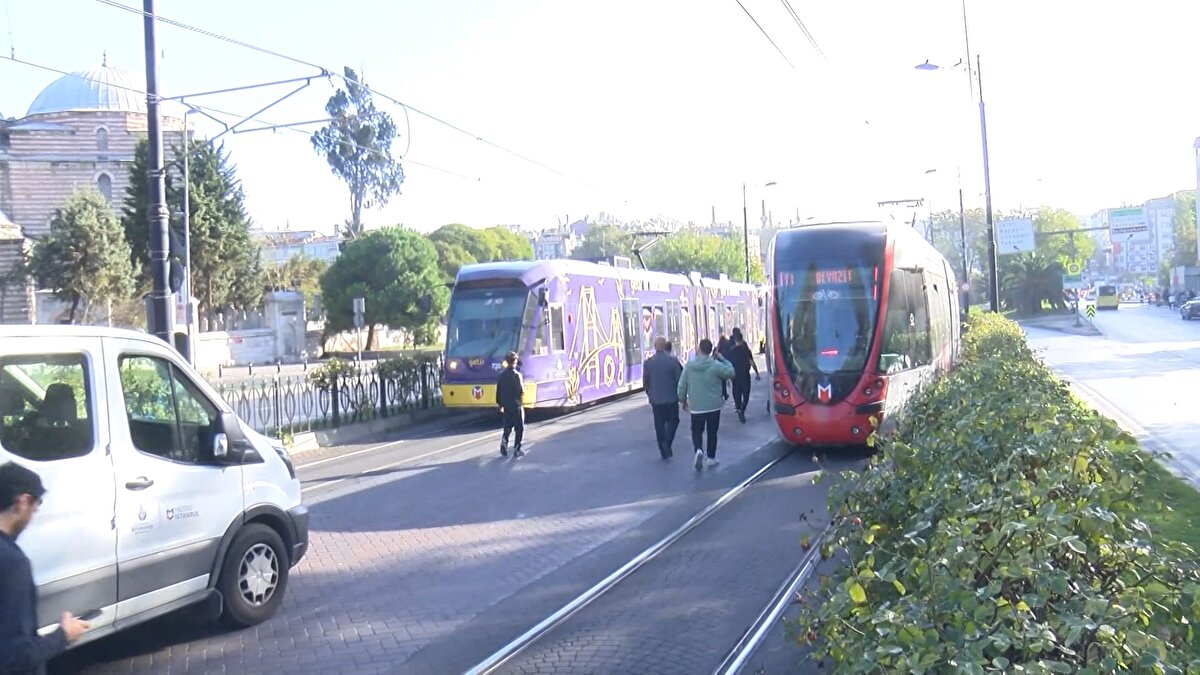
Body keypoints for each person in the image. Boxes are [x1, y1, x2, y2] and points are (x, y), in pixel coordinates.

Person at [0, 462, 89, 674]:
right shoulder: (12, 562)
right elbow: (15, 657)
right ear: (22, 501)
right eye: (36, 504)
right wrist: (63, 636)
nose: (35, 511)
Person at [677, 338, 735, 470]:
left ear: (699, 349)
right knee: (712, 432)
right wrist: (723, 359)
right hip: (714, 406)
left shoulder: (689, 366)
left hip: (696, 407)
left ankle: (698, 449)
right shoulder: (715, 365)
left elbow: (681, 386)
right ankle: (711, 457)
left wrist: (683, 400)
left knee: (696, 431)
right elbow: (731, 372)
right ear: (711, 351)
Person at [643, 337, 683, 460]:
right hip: (671, 398)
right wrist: (682, 396)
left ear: (655, 347)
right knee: (674, 421)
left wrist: (650, 394)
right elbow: (679, 380)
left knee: (659, 425)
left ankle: (663, 450)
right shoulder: (673, 361)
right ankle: (668, 441)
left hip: (656, 400)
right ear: (665, 346)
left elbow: (646, 381)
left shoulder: (648, 363)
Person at [727, 328, 761, 423]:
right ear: (741, 339)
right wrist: (757, 373)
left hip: (735, 376)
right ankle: (742, 409)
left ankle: (738, 409)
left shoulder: (731, 351)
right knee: (746, 395)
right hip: (745, 375)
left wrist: (727, 378)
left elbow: (728, 364)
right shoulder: (745, 348)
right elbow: (751, 362)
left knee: (736, 393)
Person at [496, 352, 526, 458]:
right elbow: (521, 391)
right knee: (519, 428)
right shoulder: (517, 376)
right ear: (515, 361)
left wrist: (500, 405)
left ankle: (504, 442)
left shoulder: (501, 376)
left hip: (506, 406)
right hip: (516, 405)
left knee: (507, 427)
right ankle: (517, 448)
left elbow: (498, 392)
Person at [716, 333, 732, 402]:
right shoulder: (728, 345)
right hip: (726, 363)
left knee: (722, 381)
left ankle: (723, 394)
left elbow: (715, 354)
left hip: (719, 365)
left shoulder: (718, 347)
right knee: (725, 380)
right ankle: (725, 394)